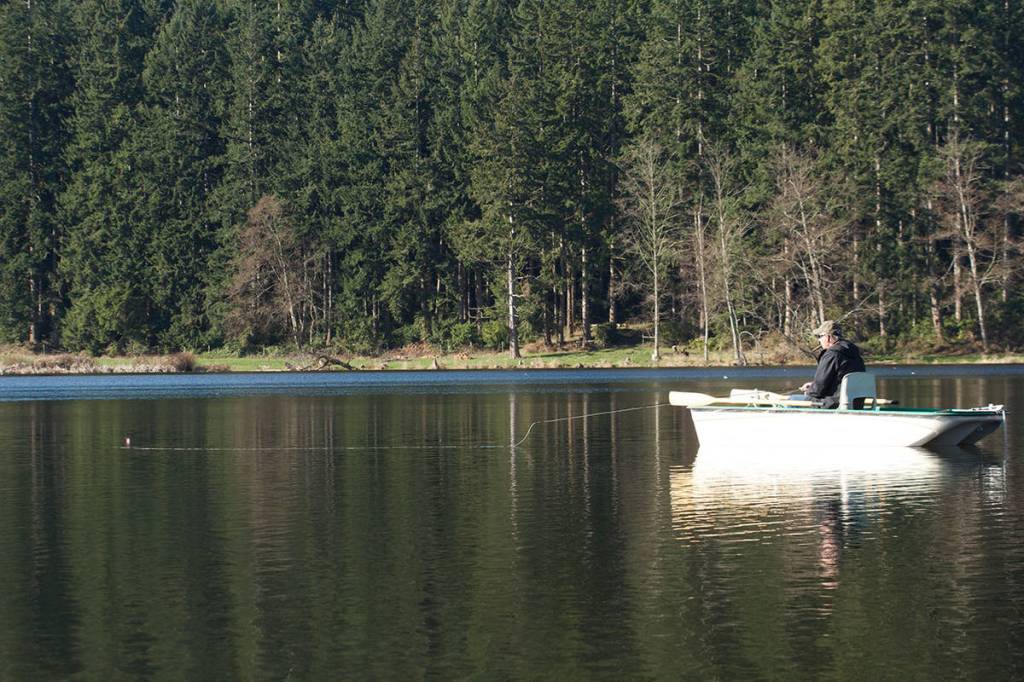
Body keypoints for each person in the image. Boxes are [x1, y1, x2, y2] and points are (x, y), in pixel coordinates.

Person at [799, 320, 865, 409]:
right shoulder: (854, 354)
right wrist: (813, 385)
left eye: (820, 336)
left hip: (832, 404)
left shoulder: (832, 354)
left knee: (792, 399)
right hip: (856, 403)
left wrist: (809, 391)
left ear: (828, 337)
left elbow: (817, 390)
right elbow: (838, 381)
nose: (819, 340)